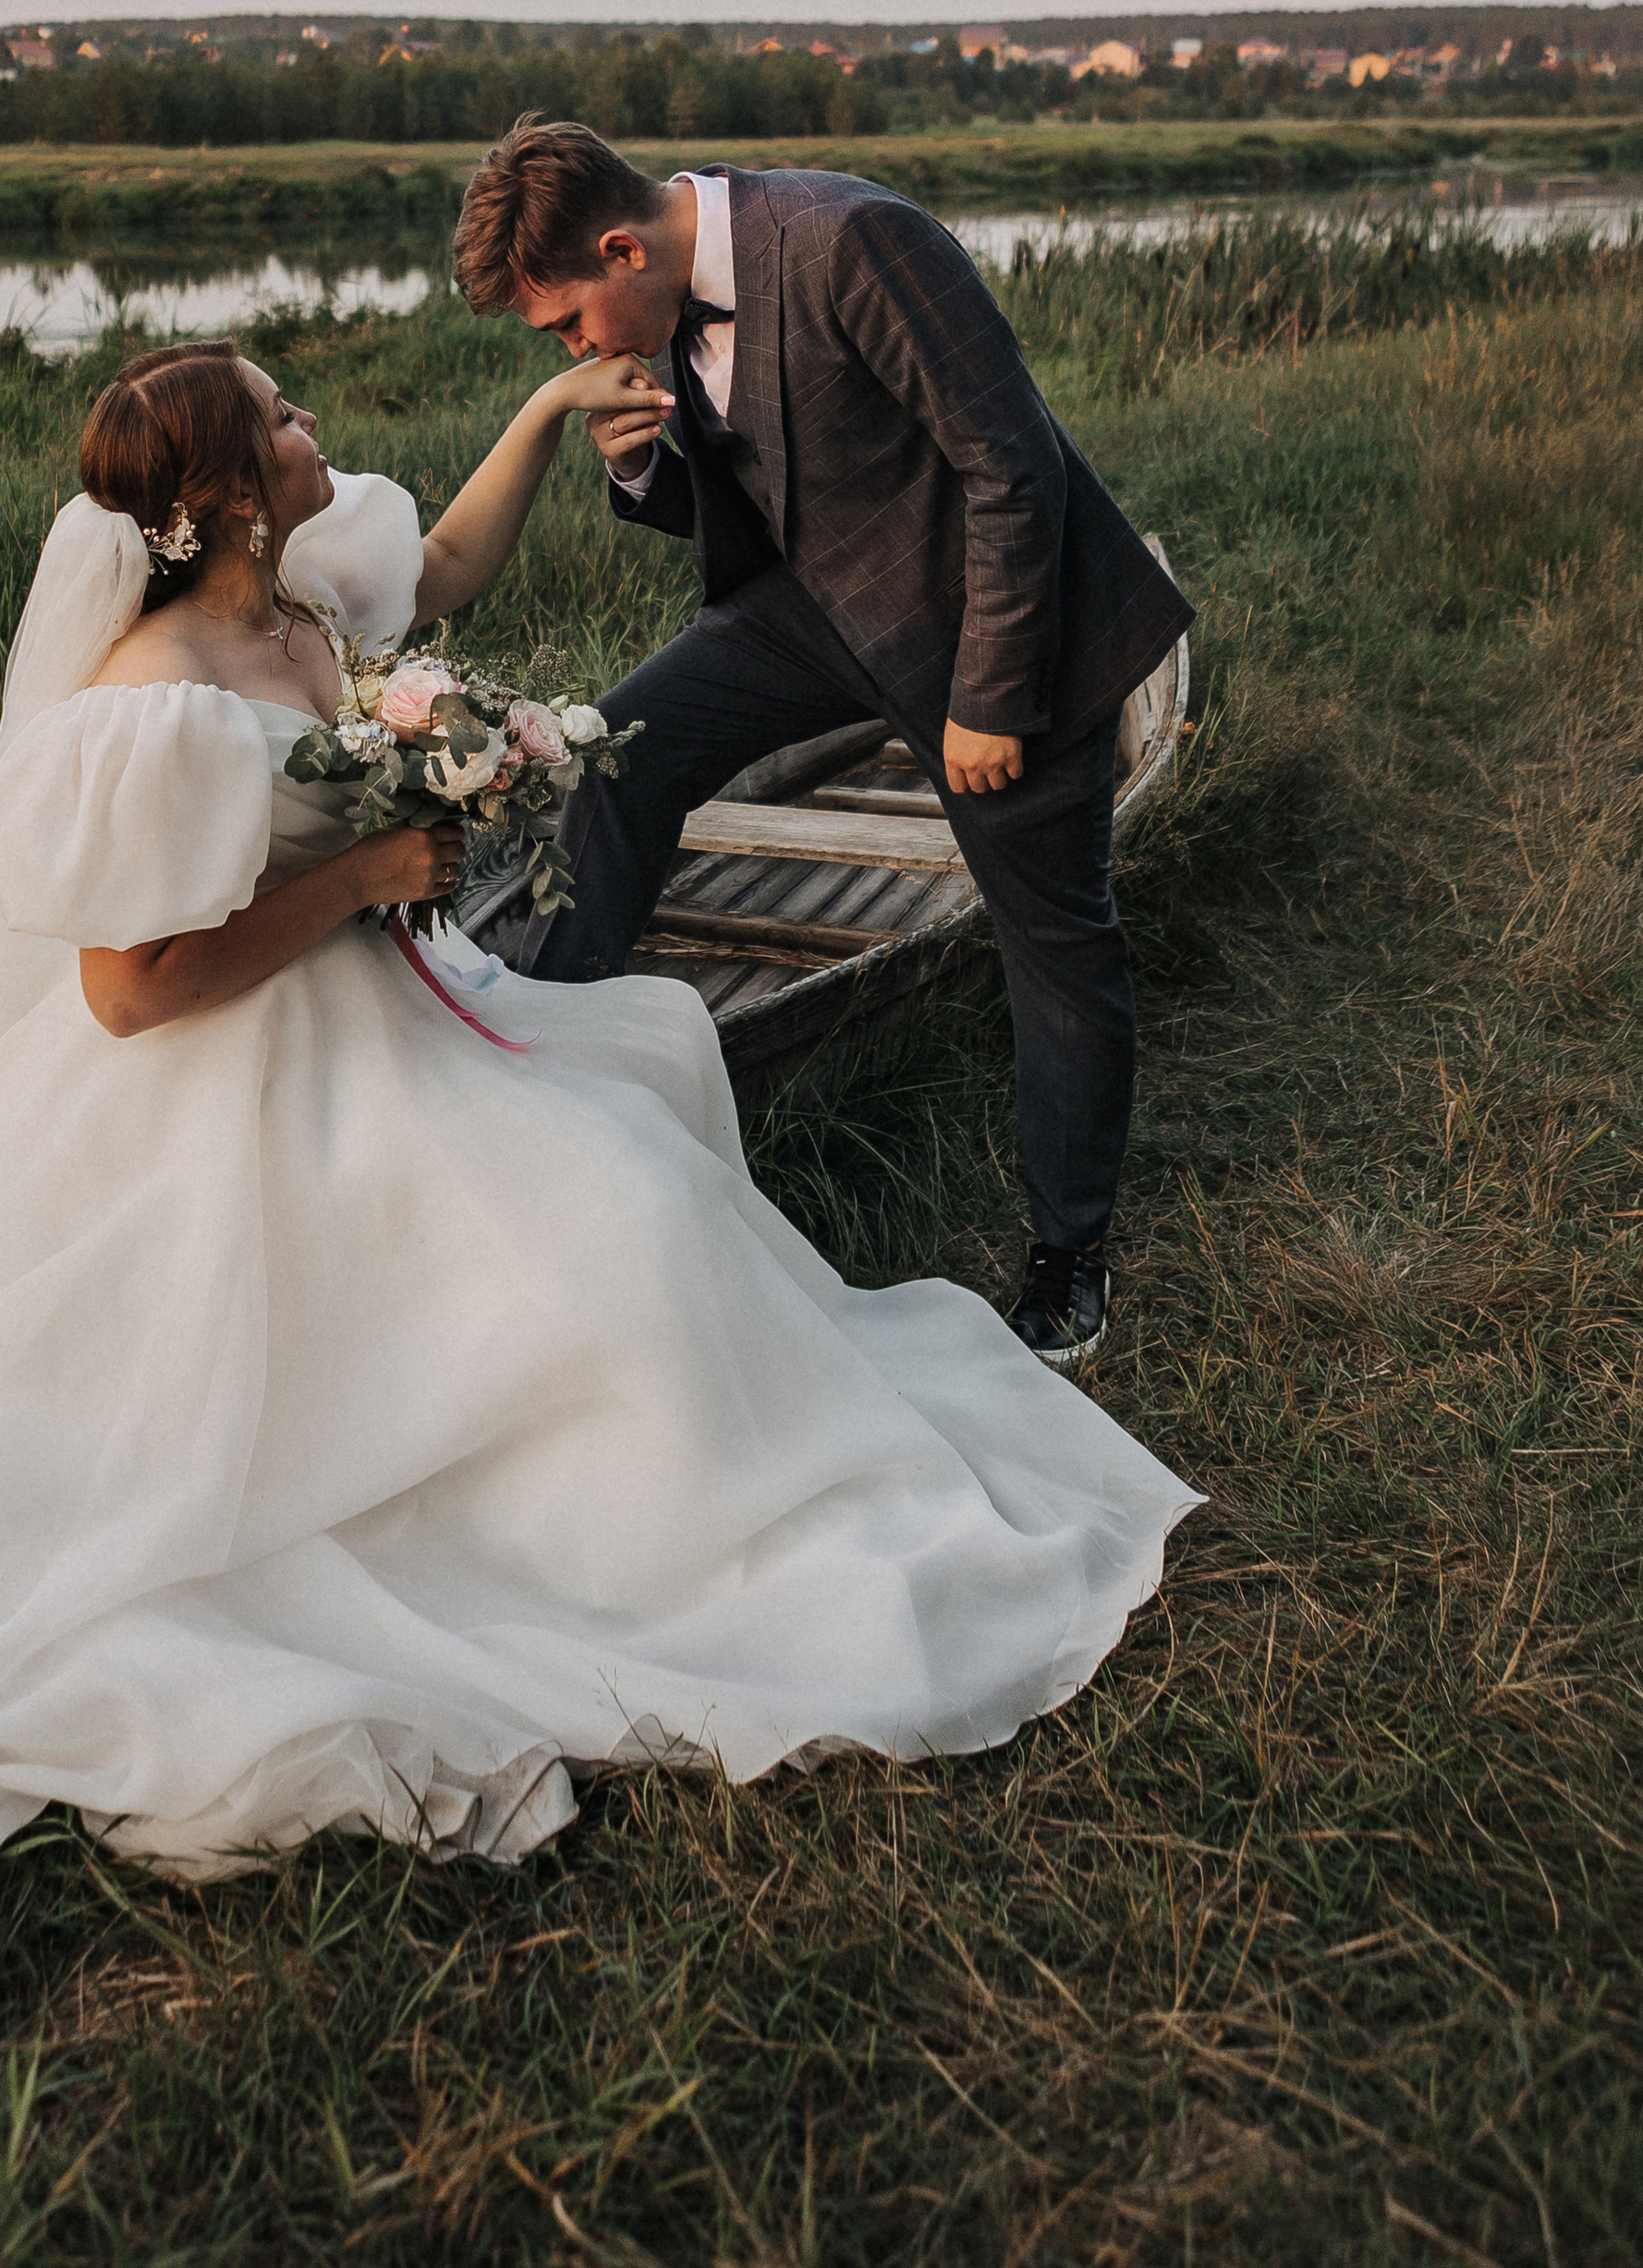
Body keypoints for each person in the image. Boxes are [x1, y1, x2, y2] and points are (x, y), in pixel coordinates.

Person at [0, 342, 1193, 2125]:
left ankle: (675, 1453)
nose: (316, 427)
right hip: (232, 1086)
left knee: (633, 1144)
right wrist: (362, 874)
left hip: (390, 1018)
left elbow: (447, 563)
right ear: (231, 496)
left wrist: (549, 414)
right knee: (599, 1216)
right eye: (283, 416)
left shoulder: (305, 592)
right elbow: (130, 991)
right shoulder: (146, 699)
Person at [451, 119, 1195, 1371]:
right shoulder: (677, 300)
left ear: (622, 248)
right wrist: (638, 474)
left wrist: (991, 697)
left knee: (1055, 941)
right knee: (622, 747)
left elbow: (1014, 469)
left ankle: (1071, 1262)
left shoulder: (855, 242)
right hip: (821, 613)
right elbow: (771, 498)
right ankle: (561, 1079)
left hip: (1000, 630)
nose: (576, 351)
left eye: (568, 323)